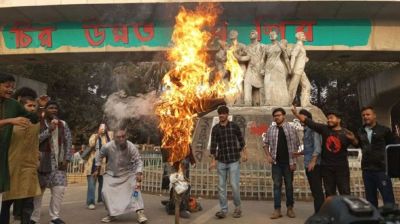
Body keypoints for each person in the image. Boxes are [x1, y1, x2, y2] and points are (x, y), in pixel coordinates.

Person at [292, 105, 358, 197]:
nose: (329, 120)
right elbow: (308, 122)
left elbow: (357, 144)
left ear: (339, 120)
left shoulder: (345, 133)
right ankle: (331, 211)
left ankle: (345, 211)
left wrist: (353, 139)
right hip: (327, 167)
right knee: (330, 193)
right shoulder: (324, 129)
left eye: (331, 118)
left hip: (341, 168)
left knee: (345, 192)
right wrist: (296, 114)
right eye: (328, 118)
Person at [1, 87, 41, 224]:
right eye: (29, 106)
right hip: (11, 167)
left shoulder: (36, 124)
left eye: (34, 106)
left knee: (28, 203)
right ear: (21, 107)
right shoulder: (10, 122)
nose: (32, 109)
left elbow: (36, 142)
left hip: (29, 167)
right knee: (6, 202)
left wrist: (37, 157)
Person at [31, 101, 72, 224]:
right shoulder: (39, 123)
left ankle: (54, 217)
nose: (53, 110)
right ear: (46, 110)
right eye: (51, 108)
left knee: (59, 190)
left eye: (55, 108)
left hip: (59, 164)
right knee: (38, 193)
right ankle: (34, 218)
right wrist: (49, 130)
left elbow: (68, 141)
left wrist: (67, 159)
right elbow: (34, 140)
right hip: (43, 162)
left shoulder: (63, 124)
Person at [94, 127, 147, 223]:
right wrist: (97, 169)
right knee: (105, 192)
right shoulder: (107, 147)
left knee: (136, 189)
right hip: (111, 175)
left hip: (128, 174)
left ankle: (140, 212)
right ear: (114, 138)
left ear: (126, 136)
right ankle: (112, 214)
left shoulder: (131, 146)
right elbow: (99, 156)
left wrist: (139, 172)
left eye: (123, 136)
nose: (122, 139)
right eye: (119, 137)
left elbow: (138, 161)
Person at [356, 106, 398, 207]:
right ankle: (374, 219)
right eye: (363, 115)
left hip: (382, 170)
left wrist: (392, 166)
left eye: (368, 114)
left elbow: (394, 146)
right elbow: (358, 145)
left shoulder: (384, 130)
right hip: (366, 170)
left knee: (388, 198)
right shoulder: (360, 131)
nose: (365, 117)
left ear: (374, 116)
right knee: (370, 200)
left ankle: (390, 220)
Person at [209, 105, 247, 219]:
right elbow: (213, 146)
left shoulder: (234, 126)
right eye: (220, 114)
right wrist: (213, 161)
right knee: (221, 186)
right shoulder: (215, 128)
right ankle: (223, 210)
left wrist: (245, 154)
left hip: (234, 160)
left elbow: (241, 141)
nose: (221, 115)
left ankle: (238, 208)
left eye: (223, 113)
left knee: (234, 185)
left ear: (227, 114)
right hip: (221, 160)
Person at [263, 108, 299, 219]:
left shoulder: (291, 129)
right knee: (276, 186)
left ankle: (290, 208)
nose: (276, 117)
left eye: (278, 115)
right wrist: (268, 155)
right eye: (275, 116)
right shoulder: (271, 129)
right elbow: (265, 144)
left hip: (289, 163)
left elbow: (296, 145)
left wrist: (293, 162)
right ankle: (277, 209)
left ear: (284, 116)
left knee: (289, 186)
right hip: (276, 163)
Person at [293, 109, 325, 213]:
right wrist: (299, 153)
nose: (300, 119)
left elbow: (317, 147)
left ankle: (320, 214)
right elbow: (309, 148)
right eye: (299, 117)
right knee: (315, 190)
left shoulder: (313, 130)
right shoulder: (306, 130)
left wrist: (313, 161)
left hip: (314, 165)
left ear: (308, 119)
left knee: (317, 191)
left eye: (302, 117)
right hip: (308, 163)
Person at [161, 145, 196, 218]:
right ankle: (172, 202)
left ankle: (182, 207)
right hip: (172, 160)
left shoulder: (184, 136)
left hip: (183, 162)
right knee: (172, 183)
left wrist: (192, 161)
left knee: (183, 185)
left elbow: (188, 148)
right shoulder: (170, 135)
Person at [85, 123, 113, 209]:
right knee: (91, 183)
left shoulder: (109, 137)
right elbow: (91, 144)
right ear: (98, 128)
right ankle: (90, 202)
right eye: (101, 127)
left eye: (104, 127)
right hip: (92, 163)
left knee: (103, 183)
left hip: (104, 164)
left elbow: (112, 147)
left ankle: (101, 199)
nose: (103, 129)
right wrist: (98, 134)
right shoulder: (94, 136)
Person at [288, 32, 312, 106]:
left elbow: (298, 57)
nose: (304, 36)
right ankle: (287, 102)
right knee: (293, 87)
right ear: (298, 37)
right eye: (302, 35)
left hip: (301, 70)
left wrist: (304, 59)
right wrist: (291, 68)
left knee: (307, 85)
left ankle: (305, 103)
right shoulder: (298, 45)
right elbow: (293, 56)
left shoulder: (301, 46)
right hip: (297, 70)